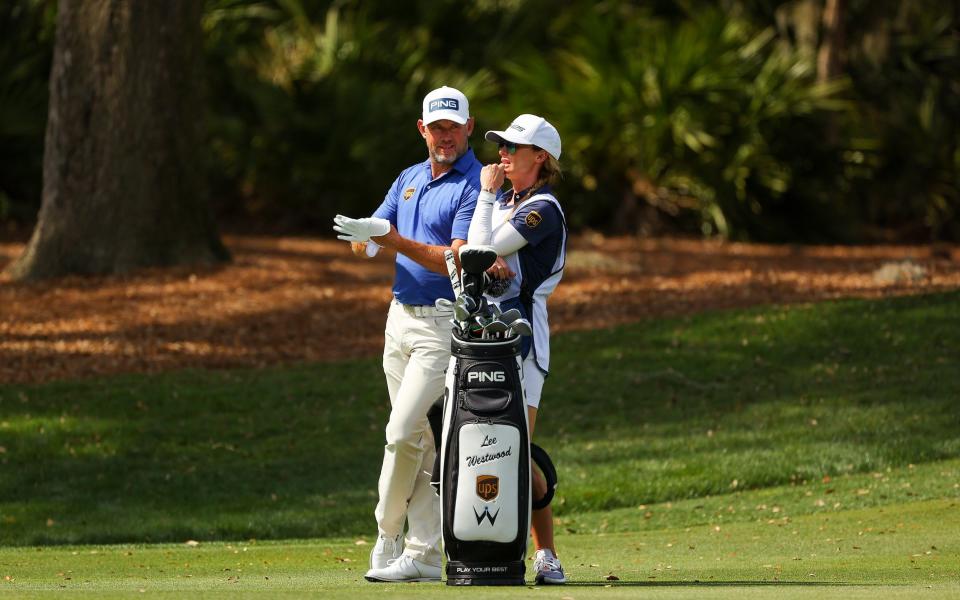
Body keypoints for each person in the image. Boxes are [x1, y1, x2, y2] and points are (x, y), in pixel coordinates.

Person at [332, 86, 482, 583]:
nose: (445, 137)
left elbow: (453, 258)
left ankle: (386, 532)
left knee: (400, 433)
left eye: (452, 128)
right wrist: (364, 242)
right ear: (422, 130)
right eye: (435, 128)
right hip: (399, 320)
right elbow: (377, 234)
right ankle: (422, 555)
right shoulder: (410, 177)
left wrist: (389, 240)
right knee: (416, 439)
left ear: (468, 128)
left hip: (441, 324)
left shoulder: (475, 183)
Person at [466, 113, 568, 585]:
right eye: (500, 145)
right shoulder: (508, 202)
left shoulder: (542, 208)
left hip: (525, 341)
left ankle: (545, 554)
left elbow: (482, 250)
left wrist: (485, 200)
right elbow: (470, 252)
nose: (502, 153)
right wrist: (482, 246)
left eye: (513, 147)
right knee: (487, 446)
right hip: (483, 336)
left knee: (514, 449)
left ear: (539, 157)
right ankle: (478, 545)